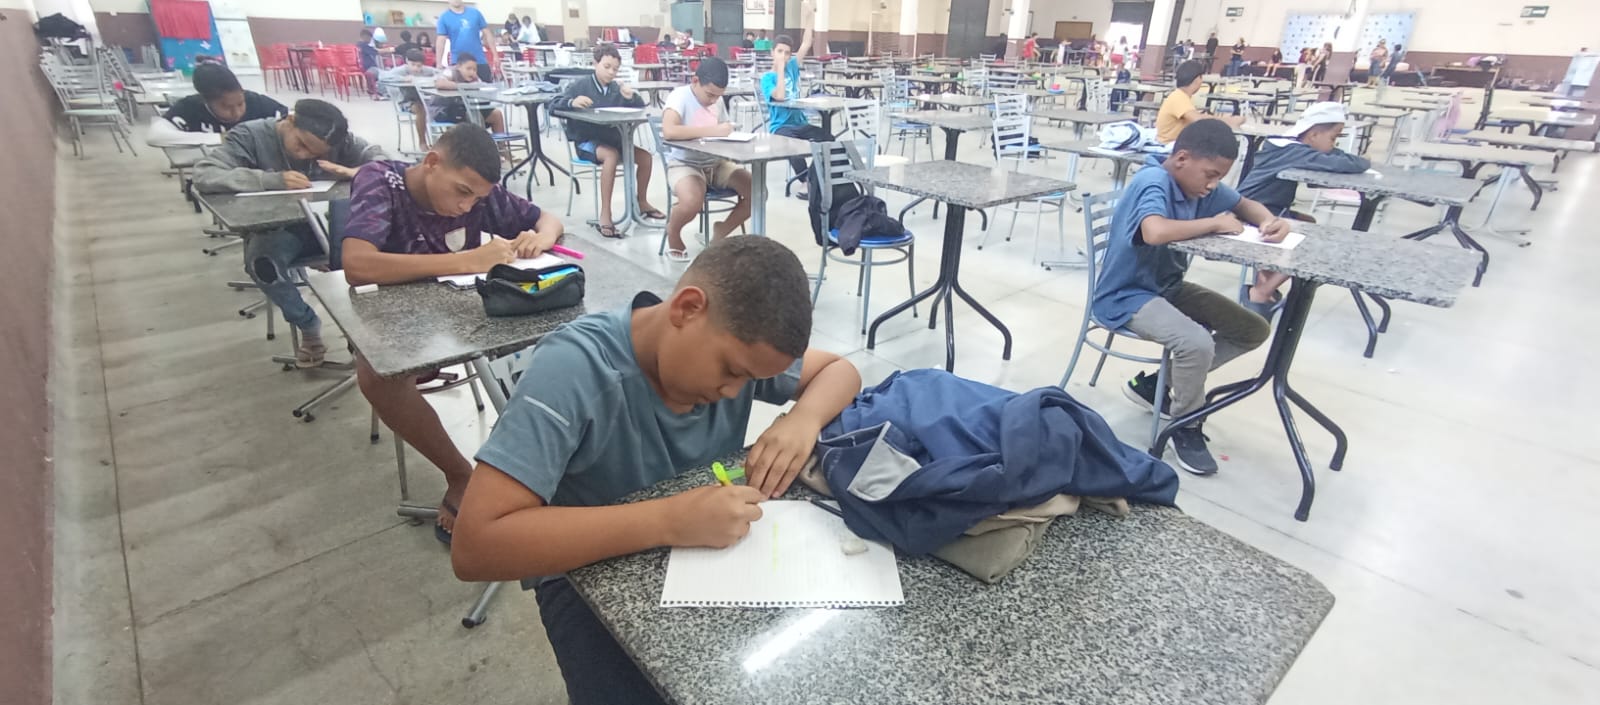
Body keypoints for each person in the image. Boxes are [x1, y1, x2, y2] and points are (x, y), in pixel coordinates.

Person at [450, 235, 862, 705]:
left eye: (751, 380)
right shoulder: (573, 369)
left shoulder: (735, 351)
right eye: (731, 371)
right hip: (584, 578)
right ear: (687, 309)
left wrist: (803, 419)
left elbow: (839, 371)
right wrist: (669, 520)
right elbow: (476, 545)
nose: (735, 392)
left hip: (707, 558)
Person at [340, 124, 563, 543]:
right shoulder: (381, 181)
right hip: (397, 320)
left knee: (557, 346)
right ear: (432, 163)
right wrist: (465, 261)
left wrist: (542, 237)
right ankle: (460, 474)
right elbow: (357, 264)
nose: (466, 206)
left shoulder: (478, 192)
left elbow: (545, 218)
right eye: (461, 192)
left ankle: (528, 471)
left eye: (476, 198)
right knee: (377, 378)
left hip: (468, 315)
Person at [1091, 119, 1279, 475]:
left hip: (1166, 287)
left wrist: (1269, 221)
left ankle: (1157, 385)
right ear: (1181, 159)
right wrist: (1214, 223)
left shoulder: (1195, 184)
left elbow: (1244, 204)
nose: (1213, 185)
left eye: (1219, 178)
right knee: (1196, 343)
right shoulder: (1154, 181)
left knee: (1252, 329)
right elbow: (1154, 231)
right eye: (1210, 175)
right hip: (1125, 295)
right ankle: (1185, 425)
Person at [192, 99, 385, 367]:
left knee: (373, 258)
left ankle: (363, 336)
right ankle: (307, 323)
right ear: (290, 120)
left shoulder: (340, 140)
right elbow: (204, 174)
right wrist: (267, 180)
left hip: (333, 224)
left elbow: (383, 161)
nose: (305, 155)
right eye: (302, 145)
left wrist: (359, 172)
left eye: (317, 153)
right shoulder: (250, 136)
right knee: (263, 265)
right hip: (280, 229)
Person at [1236, 102, 1369, 316]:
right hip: (1254, 213)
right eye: (1333, 138)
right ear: (1314, 134)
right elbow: (1350, 164)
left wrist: (1333, 150)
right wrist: (1365, 160)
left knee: (1308, 223)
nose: (1334, 144)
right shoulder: (1295, 152)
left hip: (1261, 207)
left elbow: (1332, 156)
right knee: (1311, 236)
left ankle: (1265, 280)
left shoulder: (1284, 146)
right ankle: (1261, 292)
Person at [551, 45, 664, 237]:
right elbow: (553, 105)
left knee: (645, 157)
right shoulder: (580, 86)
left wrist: (631, 97)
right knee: (611, 156)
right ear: (595, 63)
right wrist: (571, 102)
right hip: (587, 142)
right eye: (607, 67)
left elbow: (639, 107)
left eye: (615, 69)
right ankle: (605, 213)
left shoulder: (616, 88)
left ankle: (642, 202)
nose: (611, 72)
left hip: (616, 141)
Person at [661, 58, 751, 262]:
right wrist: (713, 130)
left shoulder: (716, 100)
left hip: (716, 163)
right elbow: (669, 131)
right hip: (684, 163)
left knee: (757, 191)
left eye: (719, 96)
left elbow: (723, 129)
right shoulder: (679, 97)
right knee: (692, 201)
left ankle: (721, 231)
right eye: (710, 94)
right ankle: (673, 231)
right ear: (695, 81)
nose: (713, 100)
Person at [761, 5, 824, 199]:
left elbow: (806, 43)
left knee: (829, 140)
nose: (784, 56)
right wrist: (780, 69)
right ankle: (805, 182)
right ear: (772, 53)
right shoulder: (767, 78)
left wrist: (809, 18)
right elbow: (779, 96)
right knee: (792, 144)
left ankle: (816, 179)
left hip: (800, 122)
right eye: (780, 51)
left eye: (787, 53)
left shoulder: (794, 66)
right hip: (781, 127)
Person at [151, 62, 287, 137]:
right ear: (205, 101)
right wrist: (219, 138)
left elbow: (288, 121)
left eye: (240, 104)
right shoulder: (189, 108)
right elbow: (156, 135)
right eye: (226, 107)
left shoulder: (256, 102)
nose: (237, 113)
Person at [1157, 60, 1244, 144]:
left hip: (1177, 143)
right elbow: (1198, 120)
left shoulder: (1181, 96)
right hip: (1171, 145)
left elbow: (1198, 117)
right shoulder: (1179, 97)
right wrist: (1228, 121)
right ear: (1197, 79)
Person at [432, 52, 507, 134]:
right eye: (468, 69)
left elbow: (482, 87)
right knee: (472, 115)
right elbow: (440, 84)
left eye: (474, 70)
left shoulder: (474, 78)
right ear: (458, 67)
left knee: (496, 114)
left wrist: (479, 85)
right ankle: (477, 140)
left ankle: (500, 141)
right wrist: (463, 86)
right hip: (446, 111)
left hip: (469, 108)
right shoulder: (450, 71)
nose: (472, 72)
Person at [381, 49, 438, 148]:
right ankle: (422, 142)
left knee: (438, 107)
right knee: (420, 109)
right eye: (413, 65)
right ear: (407, 61)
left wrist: (432, 79)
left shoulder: (426, 70)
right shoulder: (401, 70)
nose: (416, 68)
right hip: (406, 101)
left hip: (424, 100)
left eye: (419, 66)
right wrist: (402, 79)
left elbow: (440, 73)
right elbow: (383, 77)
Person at [435, 0, 493, 80]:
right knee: (460, 87)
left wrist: (495, 55)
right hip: (459, 63)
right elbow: (441, 41)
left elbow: (487, 33)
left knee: (486, 86)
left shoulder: (475, 13)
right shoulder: (444, 18)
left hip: (479, 60)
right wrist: (439, 63)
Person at [358, 28, 393, 98]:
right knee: (385, 74)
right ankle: (384, 92)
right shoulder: (364, 45)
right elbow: (377, 51)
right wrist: (389, 50)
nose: (370, 40)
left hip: (365, 67)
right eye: (369, 38)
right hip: (369, 68)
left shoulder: (359, 45)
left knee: (384, 71)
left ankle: (375, 89)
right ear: (365, 37)